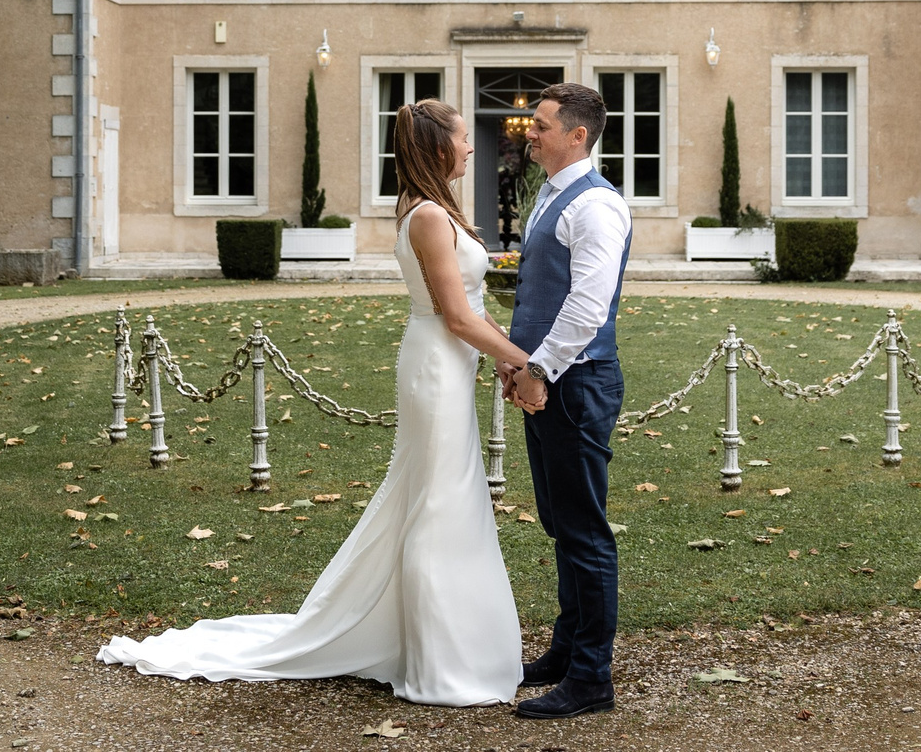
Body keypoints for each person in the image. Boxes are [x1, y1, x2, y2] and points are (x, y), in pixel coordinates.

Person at [96, 99, 529, 706]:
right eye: (463, 139)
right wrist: (524, 362)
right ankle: (442, 662)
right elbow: (457, 316)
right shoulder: (429, 215)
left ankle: (425, 641)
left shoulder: (432, 209)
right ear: (437, 148)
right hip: (436, 364)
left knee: (441, 495)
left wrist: (505, 355)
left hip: (447, 363)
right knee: (440, 502)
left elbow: (469, 310)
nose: (471, 147)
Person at [499, 80, 631, 719]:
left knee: (584, 532)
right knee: (560, 522)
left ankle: (590, 679)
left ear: (578, 135)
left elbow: (587, 305)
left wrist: (539, 370)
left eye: (543, 124)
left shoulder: (596, 205)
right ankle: (565, 651)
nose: (532, 131)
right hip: (547, 380)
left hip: (574, 384)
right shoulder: (554, 195)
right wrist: (521, 362)